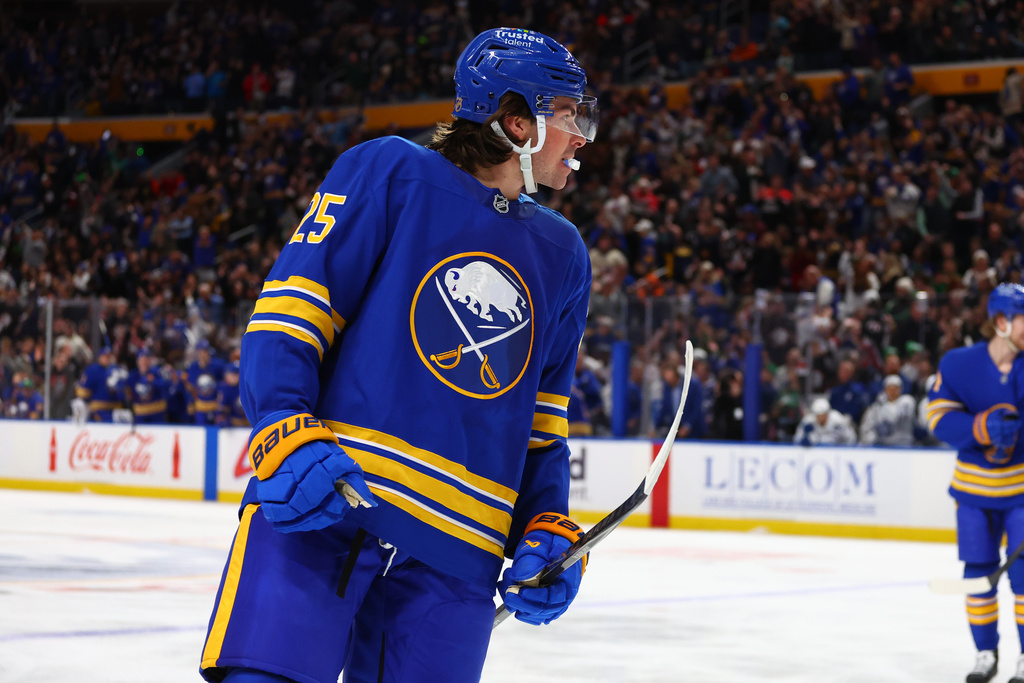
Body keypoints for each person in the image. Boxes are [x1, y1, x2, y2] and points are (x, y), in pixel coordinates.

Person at [200, 27, 599, 683]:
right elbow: (292, 312)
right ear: (515, 120)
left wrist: (544, 522)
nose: (581, 134)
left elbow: (541, 423)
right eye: (567, 113)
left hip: (458, 557)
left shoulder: (564, 254)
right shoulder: (389, 170)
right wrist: (282, 429)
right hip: (325, 509)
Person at [925, 282, 1024, 683]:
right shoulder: (958, 364)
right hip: (973, 495)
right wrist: (980, 427)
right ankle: (986, 653)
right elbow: (937, 419)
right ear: (1001, 322)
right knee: (977, 577)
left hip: (1021, 493)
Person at [859, 374, 918, 446]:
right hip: (883, 444)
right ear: (885, 389)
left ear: (900, 389)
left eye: (895, 388)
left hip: (904, 444)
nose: (892, 391)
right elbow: (867, 426)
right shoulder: (877, 406)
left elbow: (897, 418)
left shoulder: (907, 401)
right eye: (890, 388)